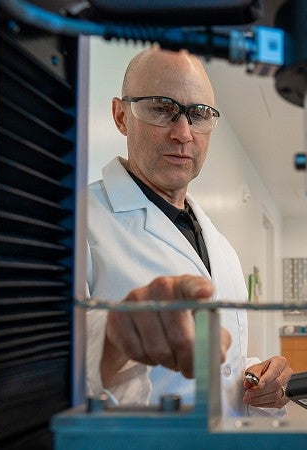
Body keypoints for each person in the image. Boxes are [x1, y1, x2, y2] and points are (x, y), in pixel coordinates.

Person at [84, 46, 291, 416]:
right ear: (120, 116)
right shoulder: (78, 224)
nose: (183, 133)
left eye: (199, 115)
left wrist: (256, 379)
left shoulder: (220, 247)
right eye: (161, 109)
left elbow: (222, 368)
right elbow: (41, 378)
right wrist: (115, 337)